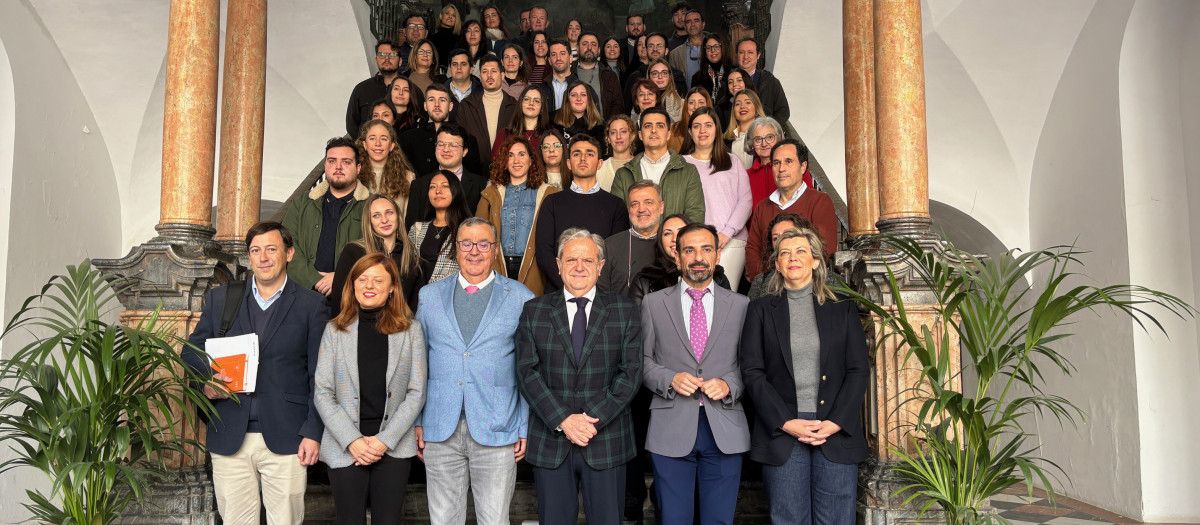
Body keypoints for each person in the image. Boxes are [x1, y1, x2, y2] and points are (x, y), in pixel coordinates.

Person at [183, 221, 327, 525]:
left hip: (288, 436)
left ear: (289, 254)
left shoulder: (311, 305)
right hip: (230, 432)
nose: (263, 257)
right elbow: (191, 353)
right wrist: (206, 381)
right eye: (256, 250)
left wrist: (313, 433)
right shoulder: (223, 299)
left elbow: (320, 375)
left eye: (271, 249)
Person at [740, 227, 869, 524]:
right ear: (777, 264)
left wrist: (836, 422)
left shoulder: (842, 307)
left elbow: (858, 370)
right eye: (784, 253)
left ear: (815, 260)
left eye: (801, 251)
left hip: (835, 431)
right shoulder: (759, 310)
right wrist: (785, 422)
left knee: (836, 519)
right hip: (783, 431)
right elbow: (752, 372)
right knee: (788, 519)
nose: (792, 258)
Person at [516, 228, 643, 525]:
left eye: (588, 260)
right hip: (552, 439)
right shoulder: (534, 311)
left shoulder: (623, 311)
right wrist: (564, 419)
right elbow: (526, 372)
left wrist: (588, 419)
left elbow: (631, 373)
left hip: (606, 438)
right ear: (558, 265)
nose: (579, 267)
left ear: (600, 266)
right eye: (571, 259)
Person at [414, 217, 535, 525]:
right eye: (466, 243)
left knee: (494, 520)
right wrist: (417, 419)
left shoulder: (521, 298)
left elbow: (528, 368)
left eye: (483, 244)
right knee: (443, 520)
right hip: (440, 425)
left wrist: (523, 424)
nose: (474, 251)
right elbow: (417, 363)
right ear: (456, 249)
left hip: (498, 426)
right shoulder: (430, 296)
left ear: (494, 250)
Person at [641, 223, 750, 525]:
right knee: (673, 520)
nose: (698, 257)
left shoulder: (742, 305)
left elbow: (752, 365)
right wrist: (669, 379)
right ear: (677, 257)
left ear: (717, 257)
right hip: (670, 427)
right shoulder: (653, 304)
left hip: (725, 428)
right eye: (689, 250)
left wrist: (730, 384)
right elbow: (642, 361)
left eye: (706, 249)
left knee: (718, 520)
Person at [315, 254, 426, 525]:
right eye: (362, 279)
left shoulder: (411, 330)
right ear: (352, 285)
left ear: (392, 289)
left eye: (379, 280)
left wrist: (383, 440)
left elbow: (416, 392)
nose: (369, 285)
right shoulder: (334, 331)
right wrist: (353, 440)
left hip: (393, 445)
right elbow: (322, 392)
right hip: (345, 446)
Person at [534, 134, 630, 290]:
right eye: (577, 154)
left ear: (600, 163)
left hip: (600, 294)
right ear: (569, 163)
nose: (583, 158)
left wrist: (590, 290)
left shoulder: (616, 206)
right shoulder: (552, 202)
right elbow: (544, 253)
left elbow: (615, 256)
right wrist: (570, 286)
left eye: (590, 154)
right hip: (559, 293)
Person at [283, 137, 369, 295]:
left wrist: (342, 278)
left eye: (346, 162)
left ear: (358, 168)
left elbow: (376, 251)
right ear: (325, 166)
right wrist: (314, 280)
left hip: (352, 296)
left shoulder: (372, 206)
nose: (338, 167)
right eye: (332, 161)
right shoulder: (302, 203)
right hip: (303, 293)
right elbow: (287, 245)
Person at [744, 139, 838, 281]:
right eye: (776, 163)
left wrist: (794, 280)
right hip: (768, 286)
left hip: (807, 285)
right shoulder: (763, 207)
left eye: (788, 161)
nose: (781, 168)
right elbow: (752, 250)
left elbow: (824, 250)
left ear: (803, 166)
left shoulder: (820, 201)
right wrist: (764, 282)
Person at [477, 136, 560, 296]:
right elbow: (478, 233)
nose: (516, 160)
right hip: (497, 266)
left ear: (531, 160)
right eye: (510, 155)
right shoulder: (490, 194)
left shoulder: (548, 193)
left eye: (522, 154)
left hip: (534, 268)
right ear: (504, 161)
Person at [681, 107, 753, 286]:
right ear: (690, 132)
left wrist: (726, 233)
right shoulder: (680, 163)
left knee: (727, 299)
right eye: (697, 126)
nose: (703, 130)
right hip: (693, 243)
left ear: (717, 130)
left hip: (731, 242)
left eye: (708, 125)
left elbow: (746, 201)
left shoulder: (732, 161)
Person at [331, 194, 422, 316]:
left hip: (399, 330)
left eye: (389, 212)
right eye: (376, 215)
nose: (384, 220)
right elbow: (339, 300)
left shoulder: (412, 258)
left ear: (398, 216)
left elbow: (415, 308)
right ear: (369, 221)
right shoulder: (353, 252)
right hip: (359, 328)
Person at [611, 108, 706, 223]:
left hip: (675, 240)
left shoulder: (688, 171)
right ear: (640, 135)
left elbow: (695, 214)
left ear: (669, 134)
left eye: (660, 126)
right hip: (635, 240)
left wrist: (672, 238)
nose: (654, 130)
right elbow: (618, 218)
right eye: (648, 126)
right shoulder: (623, 174)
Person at [629, 214, 731, 306]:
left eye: (681, 232)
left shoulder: (717, 276)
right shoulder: (644, 280)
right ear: (660, 240)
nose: (675, 238)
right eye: (668, 234)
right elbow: (636, 322)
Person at [405, 123, 488, 230]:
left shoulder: (481, 185)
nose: (446, 149)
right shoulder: (419, 185)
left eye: (453, 145)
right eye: (441, 144)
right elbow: (411, 228)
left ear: (465, 151)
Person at [399, 84, 483, 180]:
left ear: (450, 106)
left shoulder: (467, 139)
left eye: (442, 100)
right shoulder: (407, 139)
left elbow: (473, 181)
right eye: (431, 100)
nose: (437, 104)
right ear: (425, 106)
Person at [599, 179, 663, 297]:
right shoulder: (609, 246)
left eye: (648, 202)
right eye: (635, 204)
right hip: (620, 314)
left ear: (661, 207)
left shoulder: (673, 244)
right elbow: (601, 296)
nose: (641, 209)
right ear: (629, 210)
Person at [409, 170, 472, 285]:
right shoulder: (417, 229)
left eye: (445, 186)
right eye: (433, 187)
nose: (438, 191)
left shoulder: (468, 231)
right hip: (418, 297)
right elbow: (408, 269)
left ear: (455, 190)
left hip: (450, 296)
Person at [457, 55, 517, 167]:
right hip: (475, 171)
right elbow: (460, 141)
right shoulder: (466, 106)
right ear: (480, 77)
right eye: (485, 72)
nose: (489, 75)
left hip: (508, 169)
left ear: (502, 75)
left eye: (493, 71)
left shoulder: (514, 106)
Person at [356, 120, 416, 215]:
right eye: (372, 138)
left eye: (384, 139)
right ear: (365, 145)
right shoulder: (354, 176)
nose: (378, 143)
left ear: (392, 146)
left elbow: (407, 219)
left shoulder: (408, 178)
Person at [747, 213, 813, 300]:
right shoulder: (760, 282)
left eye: (788, 234)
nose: (781, 240)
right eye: (775, 238)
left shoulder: (830, 281)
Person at [347, 39, 402, 137]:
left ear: (400, 61)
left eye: (392, 55)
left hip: (401, 149)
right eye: (382, 55)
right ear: (376, 60)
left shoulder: (411, 89)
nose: (387, 58)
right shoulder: (361, 89)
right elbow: (352, 125)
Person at [735, 38, 790, 123]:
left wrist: (769, 128)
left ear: (758, 55)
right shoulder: (727, 81)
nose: (745, 56)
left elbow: (783, 111)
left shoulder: (770, 81)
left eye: (750, 52)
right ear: (737, 55)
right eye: (741, 52)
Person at [572, 32, 625, 119]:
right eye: (585, 44)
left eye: (593, 44)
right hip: (574, 129)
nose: (589, 48)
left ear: (599, 50)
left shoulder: (609, 75)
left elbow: (618, 105)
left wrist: (608, 126)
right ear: (577, 49)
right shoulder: (568, 74)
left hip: (602, 129)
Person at [625, 33, 687, 107]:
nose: (655, 49)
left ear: (666, 51)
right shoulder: (635, 77)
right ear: (647, 50)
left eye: (659, 45)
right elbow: (627, 107)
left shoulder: (677, 77)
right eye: (651, 46)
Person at [493, 84, 553, 157]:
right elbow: (495, 165)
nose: (531, 103)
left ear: (542, 107)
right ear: (520, 104)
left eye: (536, 101)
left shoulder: (552, 135)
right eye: (527, 99)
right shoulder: (504, 134)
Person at [725, 89, 767, 169]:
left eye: (748, 102)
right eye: (737, 104)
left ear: (756, 108)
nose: (742, 107)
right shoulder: (725, 142)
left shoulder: (768, 138)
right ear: (734, 111)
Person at [596, 115, 637, 192]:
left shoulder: (642, 164)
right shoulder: (599, 168)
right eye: (613, 133)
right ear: (608, 138)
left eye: (623, 131)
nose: (618, 136)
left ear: (632, 136)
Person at [667, 10, 706, 89]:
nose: (692, 24)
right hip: (686, 99)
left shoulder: (715, 48)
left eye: (696, 20)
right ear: (685, 26)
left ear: (703, 24)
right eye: (688, 22)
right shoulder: (675, 54)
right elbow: (673, 83)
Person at [669, 87, 712, 152]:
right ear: (686, 105)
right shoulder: (672, 129)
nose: (696, 107)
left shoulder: (715, 130)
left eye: (701, 102)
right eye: (691, 102)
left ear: (707, 105)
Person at [693, 34, 731, 105]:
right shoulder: (697, 78)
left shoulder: (733, 72)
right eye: (708, 48)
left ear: (723, 48)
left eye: (716, 46)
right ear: (704, 52)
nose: (712, 50)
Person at [647, 59, 684, 123]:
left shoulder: (681, 103)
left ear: (669, 76)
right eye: (655, 73)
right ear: (649, 76)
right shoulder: (642, 100)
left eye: (664, 73)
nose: (660, 77)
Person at [430, 4, 462, 69]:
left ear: (456, 20)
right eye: (447, 13)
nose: (450, 16)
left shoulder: (461, 39)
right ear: (441, 16)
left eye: (454, 15)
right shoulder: (431, 38)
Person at [547, 39, 574, 110]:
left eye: (562, 53)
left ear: (571, 58)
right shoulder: (541, 89)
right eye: (554, 54)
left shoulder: (583, 88)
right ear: (549, 61)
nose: (558, 58)